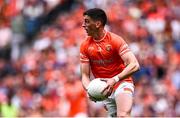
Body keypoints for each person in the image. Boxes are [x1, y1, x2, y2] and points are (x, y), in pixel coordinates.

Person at [80, 8, 140, 117]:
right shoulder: (85, 45)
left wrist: (114, 79)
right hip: (105, 90)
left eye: (87, 21)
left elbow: (134, 65)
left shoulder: (115, 40)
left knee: (123, 115)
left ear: (98, 24)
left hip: (122, 83)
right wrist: (90, 90)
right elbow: (84, 75)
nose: (83, 25)